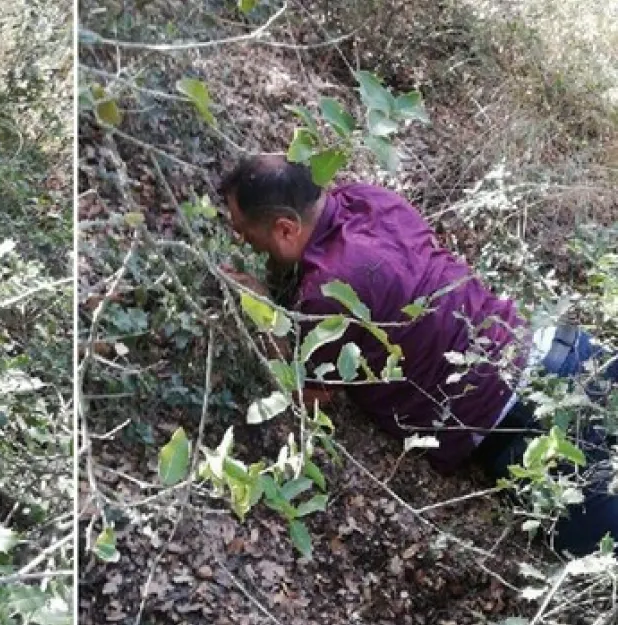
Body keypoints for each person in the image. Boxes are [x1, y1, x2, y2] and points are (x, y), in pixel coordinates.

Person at [217, 154, 618, 556]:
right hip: (568, 352)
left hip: (528, 427)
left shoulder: (328, 290)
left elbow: (308, 394)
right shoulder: (367, 199)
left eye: (247, 235)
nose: (243, 244)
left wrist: (263, 308)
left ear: (286, 229)